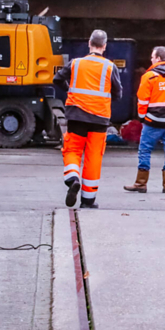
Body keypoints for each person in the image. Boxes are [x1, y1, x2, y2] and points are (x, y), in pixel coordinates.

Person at [53, 30, 122, 209]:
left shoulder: (75, 63)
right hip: (99, 118)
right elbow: (118, 93)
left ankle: (72, 178)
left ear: (88, 43)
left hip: (76, 115)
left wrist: (70, 90)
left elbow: (57, 79)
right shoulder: (110, 67)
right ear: (104, 47)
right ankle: (88, 200)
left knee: (72, 150)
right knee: (93, 158)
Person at [124, 46, 165, 194]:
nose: (151, 60)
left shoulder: (149, 77)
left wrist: (142, 118)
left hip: (154, 121)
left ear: (158, 59)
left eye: (152, 57)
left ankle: (141, 183)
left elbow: (142, 100)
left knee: (145, 149)